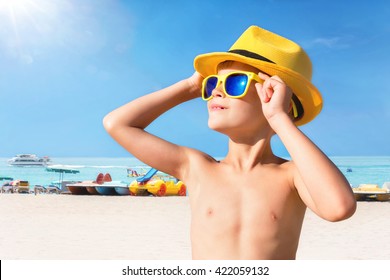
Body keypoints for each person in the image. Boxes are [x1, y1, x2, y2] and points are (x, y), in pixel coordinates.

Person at [103, 26, 356, 259]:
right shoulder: (197, 167)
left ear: (280, 100)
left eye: (235, 82)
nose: (216, 91)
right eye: (213, 82)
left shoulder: (290, 176)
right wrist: (190, 86)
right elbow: (117, 124)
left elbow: (339, 208)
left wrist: (279, 118)